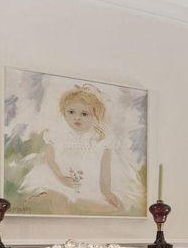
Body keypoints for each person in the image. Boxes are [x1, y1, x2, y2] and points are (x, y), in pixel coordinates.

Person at [19, 84, 122, 214]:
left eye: (84, 114)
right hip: (58, 176)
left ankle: (72, 201)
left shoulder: (101, 139)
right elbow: (50, 159)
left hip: (87, 182)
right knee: (60, 197)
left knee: (110, 207)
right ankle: (51, 197)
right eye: (71, 112)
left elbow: (105, 170)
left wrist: (106, 191)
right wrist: (60, 177)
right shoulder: (57, 133)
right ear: (64, 112)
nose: (76, 117)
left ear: (95, 116)